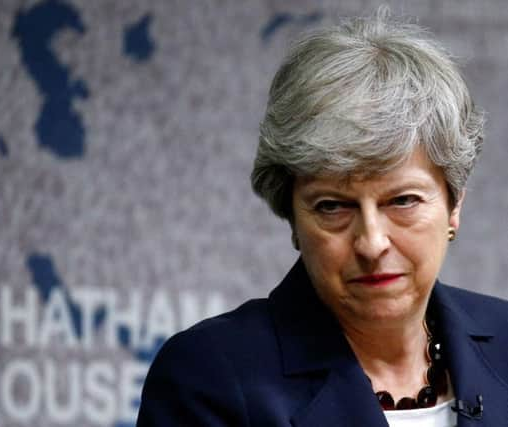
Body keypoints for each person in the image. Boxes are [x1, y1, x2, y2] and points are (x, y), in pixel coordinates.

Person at [137, 9, 508, 427]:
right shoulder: (209, 376)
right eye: (333, 206)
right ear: (292, 215)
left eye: (402, 200)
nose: (372, 243)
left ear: (453, 203)